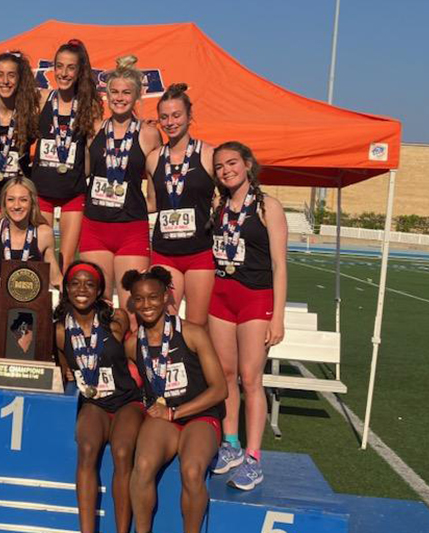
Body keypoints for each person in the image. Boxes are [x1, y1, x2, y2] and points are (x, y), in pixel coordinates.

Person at [123, 267, 227, 533]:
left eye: (154, 297)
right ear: (132, 301)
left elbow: (219, 390)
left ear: (167, 297)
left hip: (199, 416)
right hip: (164, 418)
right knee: (142, 466)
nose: (146, 305)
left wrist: (175, 412)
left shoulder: (192, 333)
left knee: (192, 471)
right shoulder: (133, 343)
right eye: (139, 299)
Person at [208, 141, 287, 490]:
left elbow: (280, 265)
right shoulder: (218, 205)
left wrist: (278, 317)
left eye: (232, 163)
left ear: (248, 164)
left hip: (256, 298)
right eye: (220, 166)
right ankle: (231, 445)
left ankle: (254, 458)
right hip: (222, 295)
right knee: (225, 374)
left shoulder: (268, 207)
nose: (226, 170)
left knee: (250, 378)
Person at [54, 261, 143, 533]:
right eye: (75, 284)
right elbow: (64, 366)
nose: (82, 289)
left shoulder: (116, 318)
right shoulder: (59, 330)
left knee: (122, 451)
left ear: (100, 290)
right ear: (66, 289)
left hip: (127, 400)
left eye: (89, 284)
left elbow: (132, 353)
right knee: (88, 449)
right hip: (94, 403)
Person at [80, 55, 161, 312]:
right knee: (97, 303)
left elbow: (156, 180)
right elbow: (84, 173)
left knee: (133, 305)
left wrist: (143, 205)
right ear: (106, 94)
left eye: (126, 92)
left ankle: (130, 353)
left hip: (130, 229)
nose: (119, 97)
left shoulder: (149, 134)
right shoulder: (94, 129)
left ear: (137, 97)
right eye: (114, 91)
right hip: (95, 226)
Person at [0, 177, 61, 371]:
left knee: (26, 365)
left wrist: (96, 295)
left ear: (32, 202)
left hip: (30, 315)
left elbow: (56, 278)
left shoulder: (43, 233)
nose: (16, 206)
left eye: (23, 200)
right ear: (4, 202)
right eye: (11, 200)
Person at [146, 83, 216, 326]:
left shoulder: (208, 154)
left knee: (197, 325)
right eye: (164, 117)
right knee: (166, 323)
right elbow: (151, 204)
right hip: (165, 252)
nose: (170, 122)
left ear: (189, 116)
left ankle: (193, 365)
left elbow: (226, 197)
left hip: (199, 252)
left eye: (176, 115)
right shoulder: (154, 158)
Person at [30, 39, 103, 273]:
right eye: (59, 66)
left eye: (70, 67)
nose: (63, 73)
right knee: (43, 254)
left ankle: (64, 306)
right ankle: (44, 309)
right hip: (42, 190)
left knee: (68, 259)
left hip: (73, 191)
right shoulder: (41, 99)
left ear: (79, 71)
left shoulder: (89, 105)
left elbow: (92, 146)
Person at [0, 50, 40, 232]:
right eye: (0, 75)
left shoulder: (31, 114)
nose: (5, 81)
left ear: (20, 78)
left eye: (11, 75)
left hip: (19, 200)